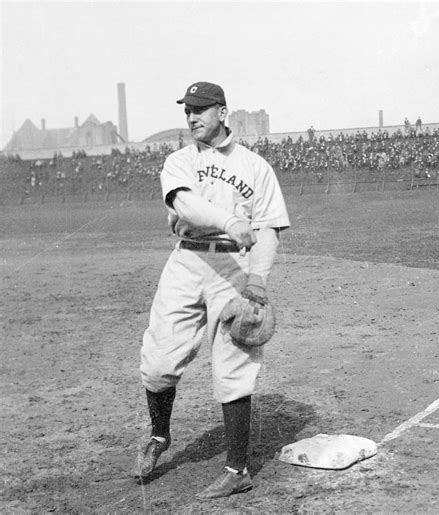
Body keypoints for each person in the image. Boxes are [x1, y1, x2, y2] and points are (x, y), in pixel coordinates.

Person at [135, 81, 290, 499]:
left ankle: (238, 469)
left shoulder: (256, 166)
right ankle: (159, 436)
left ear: (223, 112)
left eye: (201, 109)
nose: (191, 117)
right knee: (158, 360)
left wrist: (258, 280)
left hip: (234, 265)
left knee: (234, 361)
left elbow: (270, 227)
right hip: (187, 258)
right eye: (187, 110)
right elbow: (183, 203)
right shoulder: (178, 160)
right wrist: (227, 221)